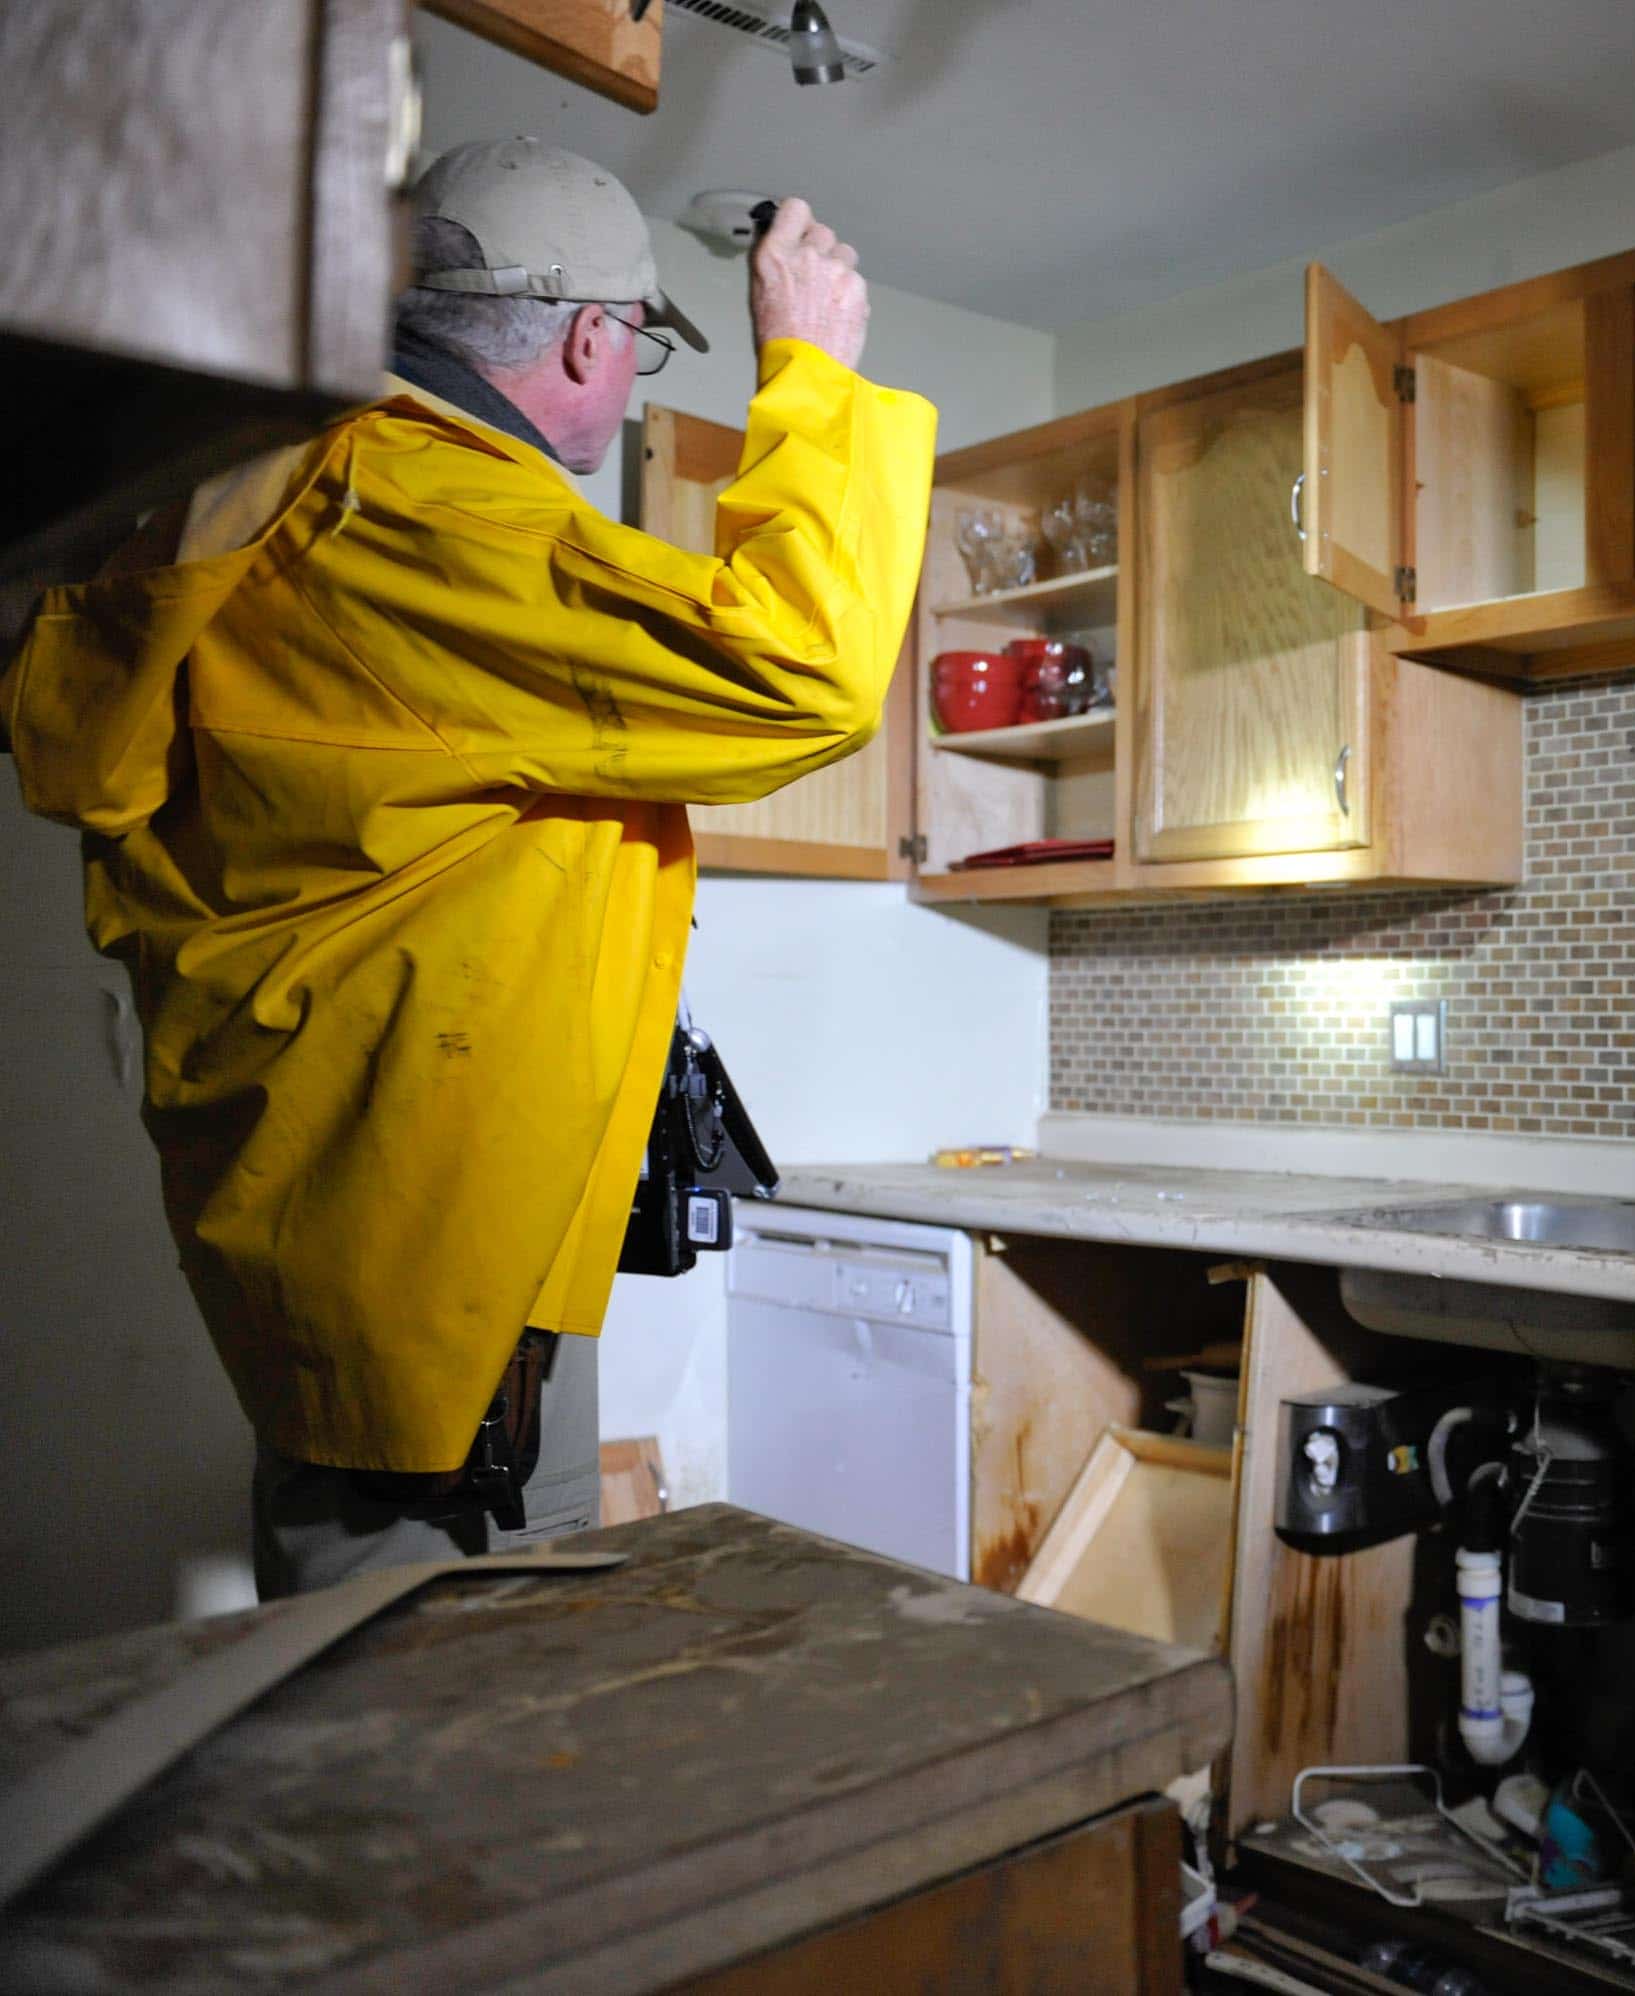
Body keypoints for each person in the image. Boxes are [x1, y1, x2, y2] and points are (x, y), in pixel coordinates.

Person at [1, 138, 937, 1596]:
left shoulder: (268, 491)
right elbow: (802, 669)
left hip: (363, 1242)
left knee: (368, 1677)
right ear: (589, 337)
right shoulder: (433, 515)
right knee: (436, 1726)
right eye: (637, 343)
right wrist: (806, 371)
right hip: (432, 1295)